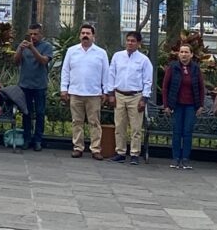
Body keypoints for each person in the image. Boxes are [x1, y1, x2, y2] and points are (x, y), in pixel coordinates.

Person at [60, 23, 110, 160]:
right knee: (77, 122)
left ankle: (95, 149)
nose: (85, 36)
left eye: (88, 33)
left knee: (94, 123)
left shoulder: (101, 53)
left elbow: (106, 73)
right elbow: (65, 71)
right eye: (83, 33)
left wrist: (105, 91)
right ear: (79, 35)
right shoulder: (71, 51)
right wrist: (64, 89)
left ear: (93, 36)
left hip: (94, 94)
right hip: (75, 92)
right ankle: (78, 147)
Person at [107, 31, 153, 164]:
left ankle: (134, 154)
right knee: (119, 125)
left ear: (138, 44)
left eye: (133, 41)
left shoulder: (144, 60)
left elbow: (147, 81)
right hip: (119, 94)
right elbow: (111, 74)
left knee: (136, 127)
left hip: (136, 96)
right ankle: (120, 152)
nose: (130, 43)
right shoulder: (117, 56)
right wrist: (110, 94)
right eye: (128, 40)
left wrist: (144, 99)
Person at [161, 44, 205, 169]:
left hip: (191, 105)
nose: (184, 55)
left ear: (191, 54)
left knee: (187, 132)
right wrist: (166, 105)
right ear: (178, 54)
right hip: (176, 105)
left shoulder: (196, 69)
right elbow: (165, 87)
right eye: (181, 52)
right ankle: (175, 158)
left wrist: (201, 105)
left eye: (186, 52)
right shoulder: (173, 67)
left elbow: (201, 88)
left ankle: (185, 158)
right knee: (177, 132)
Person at [13, 22, 54, 151]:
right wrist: (20, 49)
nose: (33, 36)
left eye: (35, 34)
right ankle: (27, 139)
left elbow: (43, 61)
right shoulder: (24, 45)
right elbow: (15, 61)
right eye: (30, 34)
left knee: (40, 113)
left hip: (40, 86)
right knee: (26, 113)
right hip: (25, 85)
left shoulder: (46, 46)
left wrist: (32, 48)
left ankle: (38, 140)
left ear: (41, 34)